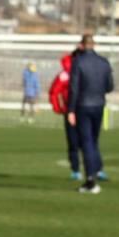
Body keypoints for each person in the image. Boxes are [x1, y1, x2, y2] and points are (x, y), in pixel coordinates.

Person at [68, 34, 114, 193]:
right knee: (94, 141)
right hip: (99, 105)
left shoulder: (78, 62)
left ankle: (90, 180)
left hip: (83, 105)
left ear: (82, 45)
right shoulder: (104, 62)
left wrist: (71, 110)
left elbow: (74, 88)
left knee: (86, 142)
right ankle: (96, 171)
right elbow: (110, 86)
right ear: (94, 45)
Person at [49, 52, 81, 180]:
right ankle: (76, 170)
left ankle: (94, 169)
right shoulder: (65, 74)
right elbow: (54, 91)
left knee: (87, 140)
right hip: (72, 110)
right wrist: (59, 108)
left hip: (86, 108)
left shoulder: (87, 69)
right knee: (74, 140)